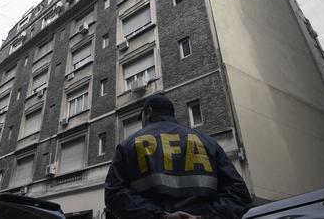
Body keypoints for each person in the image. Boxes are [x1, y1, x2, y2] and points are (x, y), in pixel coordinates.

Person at [105, 94, 252, 219]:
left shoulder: (128, 145)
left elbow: (114, 194)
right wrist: (206, 216)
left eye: (142, 116)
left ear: (148, 112)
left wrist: (162, 216)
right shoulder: (208, 142)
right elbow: (239, 194)